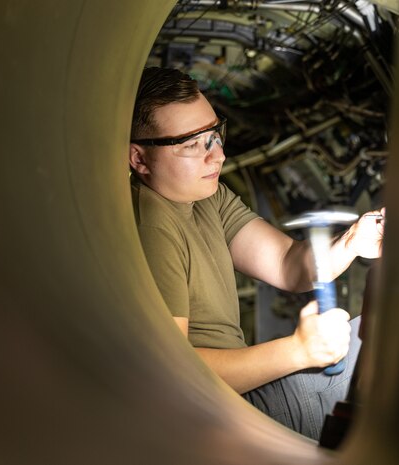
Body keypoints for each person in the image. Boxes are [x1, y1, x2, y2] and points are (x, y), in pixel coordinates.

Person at [128, 67, 384, 440]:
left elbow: (287, 265)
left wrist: (353, 242)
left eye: (214, 136)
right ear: (139, 159)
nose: (217, 156)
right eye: (191, 145)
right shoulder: (152, 226)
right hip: (220, 413)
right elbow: (172, 373)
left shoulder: (207, 196)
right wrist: (299, 351)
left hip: (243, 398)